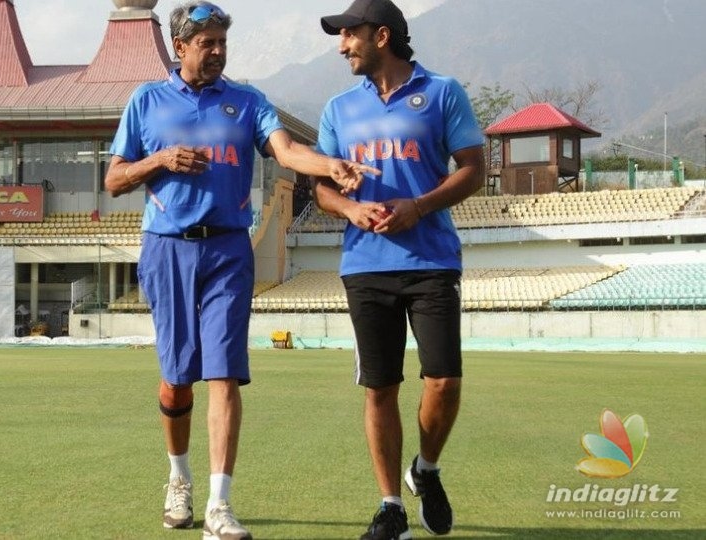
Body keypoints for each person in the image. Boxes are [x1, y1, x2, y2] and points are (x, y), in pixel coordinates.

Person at [104, 3, 378, 539]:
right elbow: (114, 178)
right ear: (180, 47)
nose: (217, 51)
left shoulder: (247, 102)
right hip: (167, 249)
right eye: (206, 42)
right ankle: (177, 479)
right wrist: (159, 160)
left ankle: (219, 505)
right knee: (177, 380)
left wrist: (330, 165)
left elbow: (287, 150)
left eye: (221, 42)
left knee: (225, 374)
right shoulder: (146, 100)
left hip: (229, 249)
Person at [313, 1, 486, 538]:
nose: (342, 45)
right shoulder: (339, 108)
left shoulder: (442, 92)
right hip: (364, 265)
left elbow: (474, 170)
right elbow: (320, 187)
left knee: (445, 381)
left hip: (432, 260)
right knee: (379, 388)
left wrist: (417, 206)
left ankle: (425, 469)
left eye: (349, 35)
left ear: (381, 36)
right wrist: (349, 208)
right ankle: (391, 508)